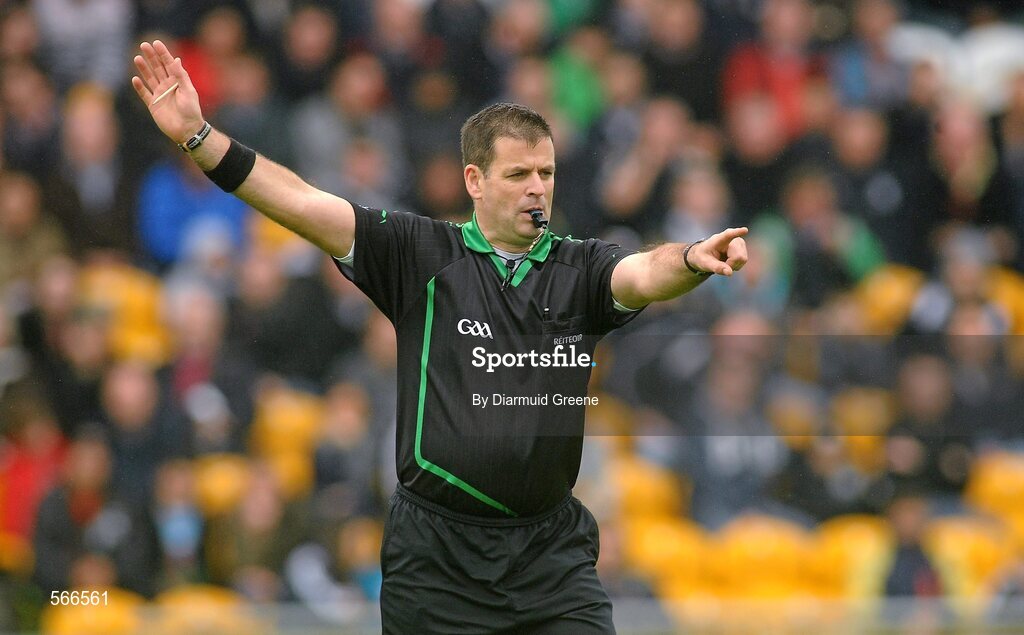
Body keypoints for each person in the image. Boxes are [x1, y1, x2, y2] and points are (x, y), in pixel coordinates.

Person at [131, 39, 749, 634]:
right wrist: (200, 137)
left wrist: (693, 256)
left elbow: (643, 272)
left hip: (549, 556)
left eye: (547, 172)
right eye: (518, 174)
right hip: (436, 562)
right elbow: (303, 203)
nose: (537, 187)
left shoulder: (581, 268)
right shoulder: (420, 253)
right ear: (475, 181)